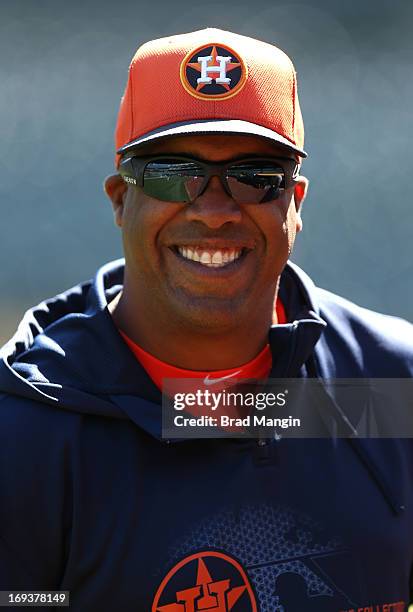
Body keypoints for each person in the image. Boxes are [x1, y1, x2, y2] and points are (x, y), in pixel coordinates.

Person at [0, 27, 412, 612]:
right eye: (173, 173)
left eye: (254, 177)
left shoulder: (391, 387)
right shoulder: (27, 430)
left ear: (295, 203)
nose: (215, 211)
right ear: (121, 199)